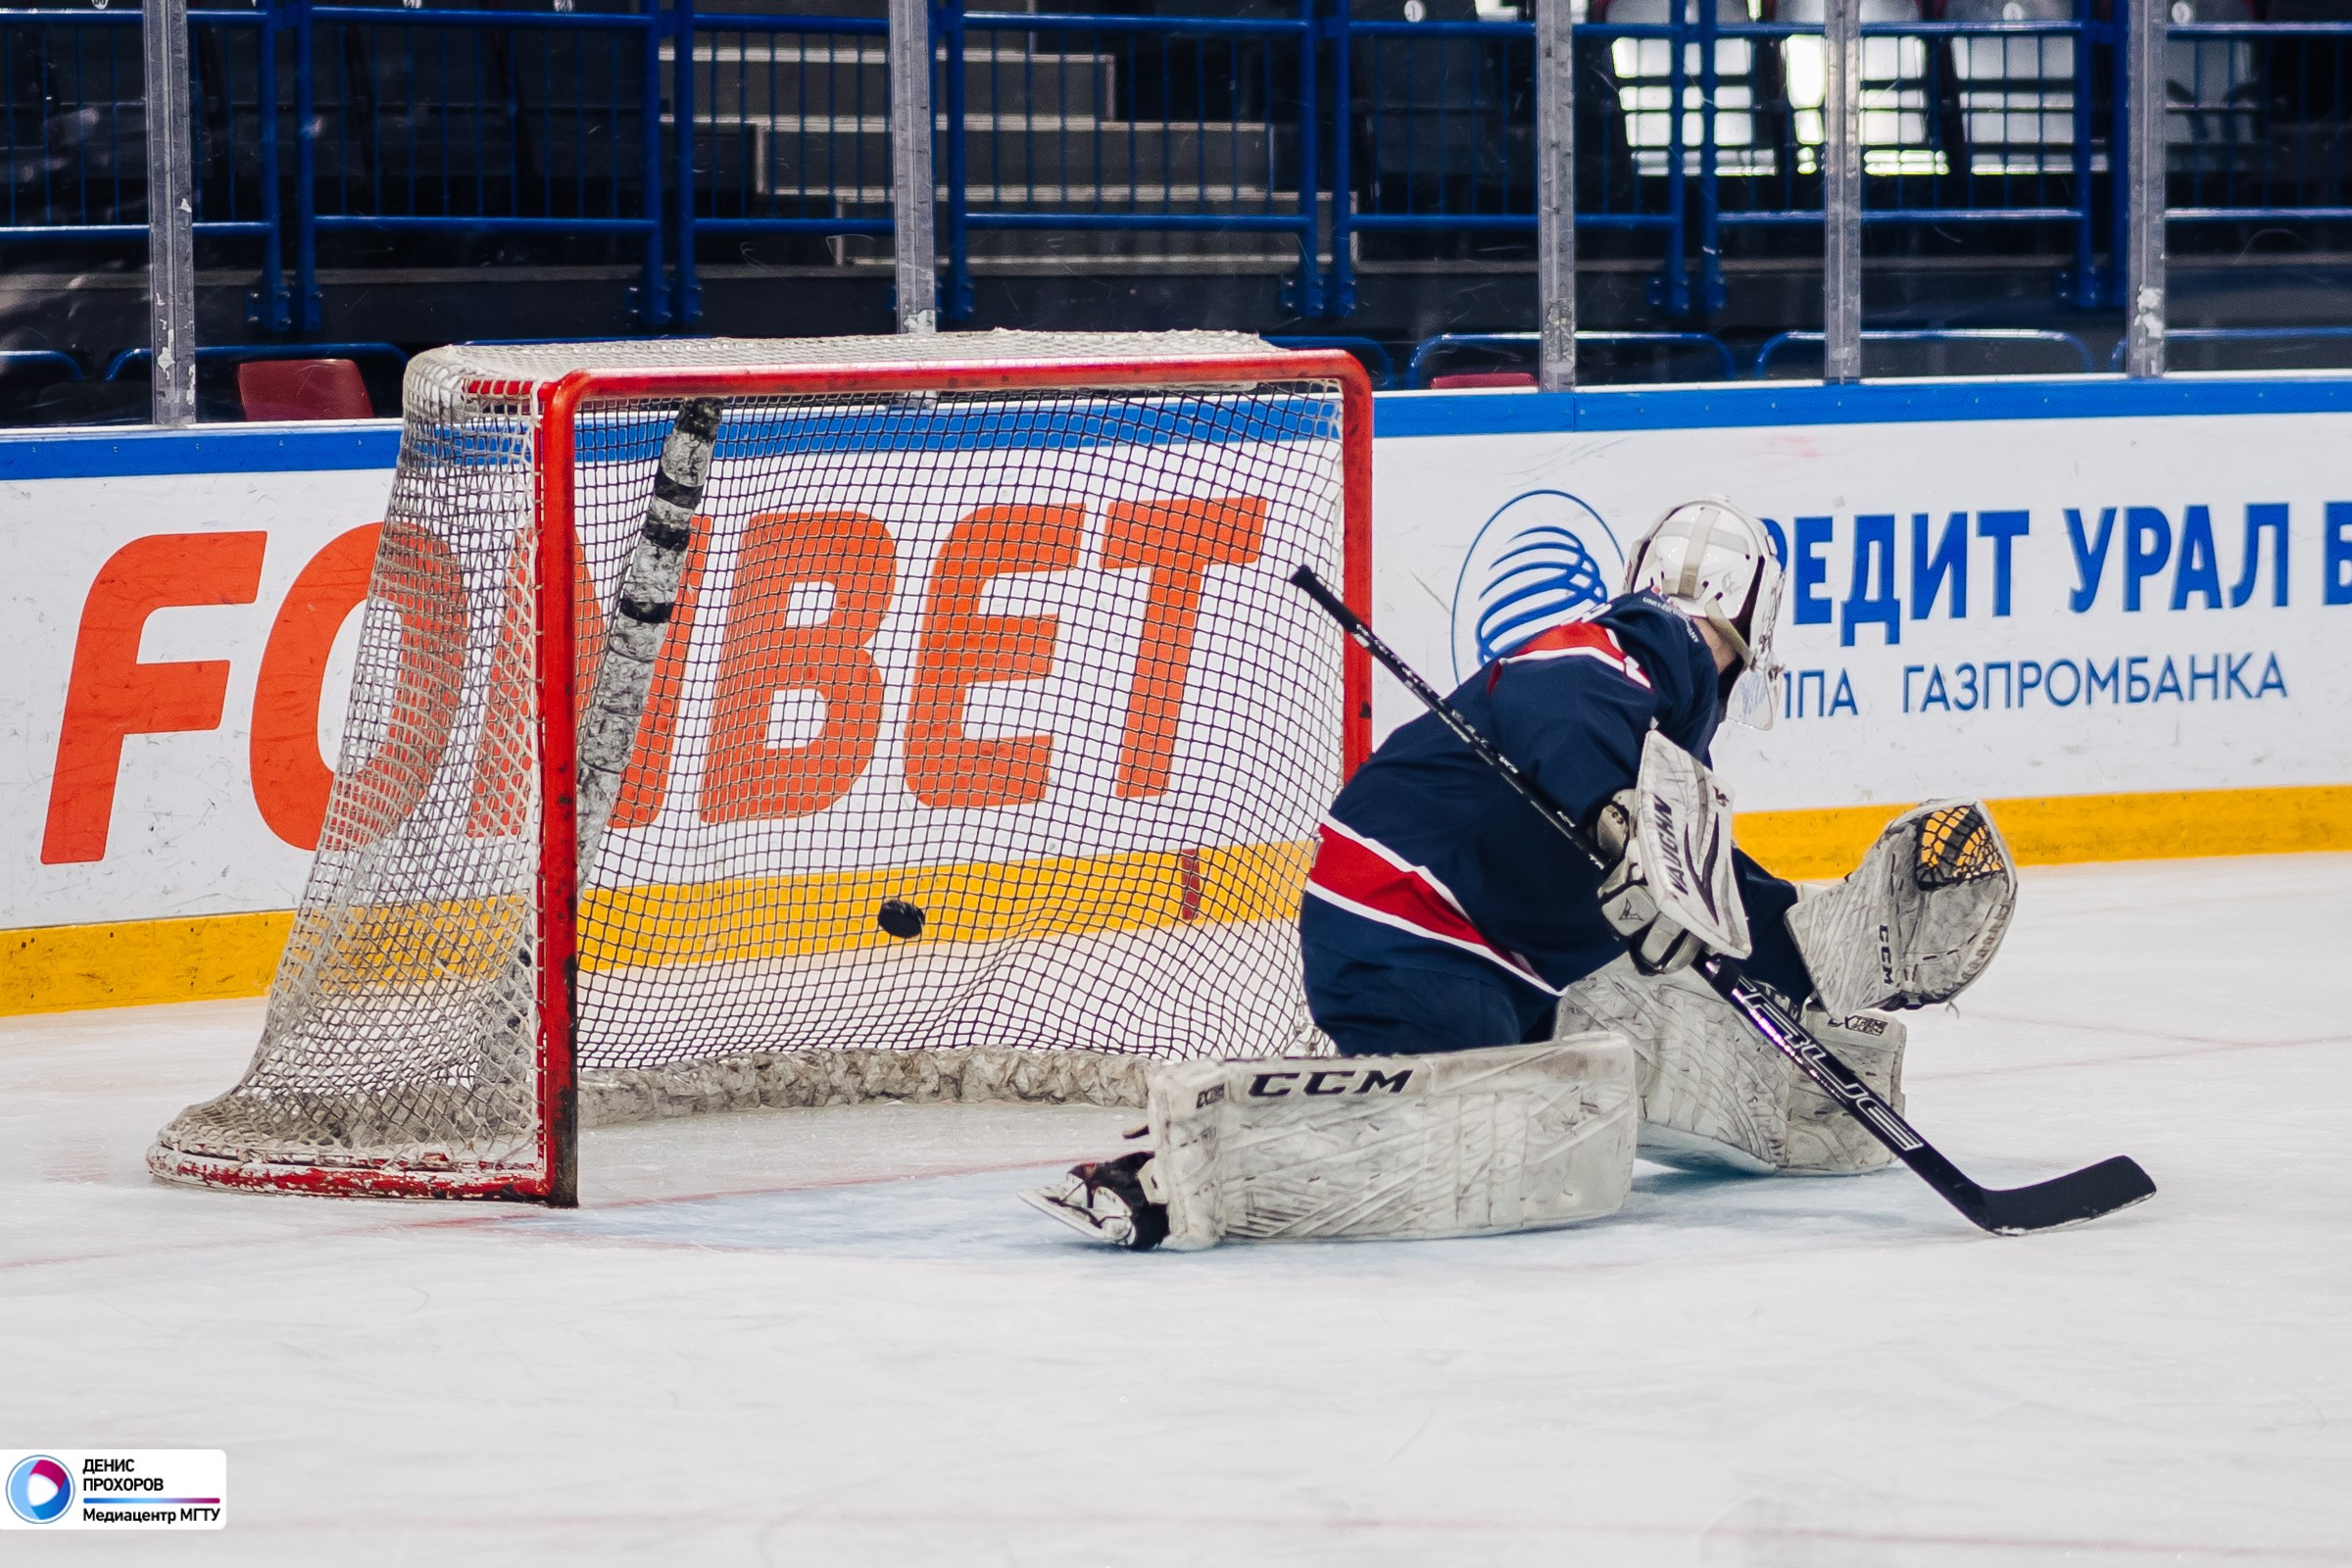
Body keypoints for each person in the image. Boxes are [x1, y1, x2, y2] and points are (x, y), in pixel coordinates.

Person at [1025, 499, 2013, 1250]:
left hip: (1478, 955)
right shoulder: (1628, 652)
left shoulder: (1657, 738)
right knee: (1496, 1136)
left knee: (1588, 1093)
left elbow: (1703, 893)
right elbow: (1564, 711)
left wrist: (1810, 946)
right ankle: (1175, 1167)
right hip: (1411, 927)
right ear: (1747, 632)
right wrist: (1609, 811)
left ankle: (1799, 1069)